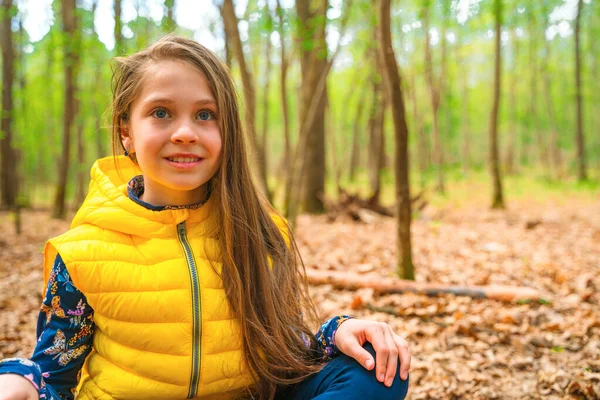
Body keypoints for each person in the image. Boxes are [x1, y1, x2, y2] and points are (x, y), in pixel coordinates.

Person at [0, 35, 410, 400]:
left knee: (378, 366)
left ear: (226, 129)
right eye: (161, 113)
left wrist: (334, 332)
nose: (185, 132)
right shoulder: (80, 254)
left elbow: (283, 347)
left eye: (205, 115)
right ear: (127, 129)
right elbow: (55, 376)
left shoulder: (262, 230)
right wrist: (19, 380)